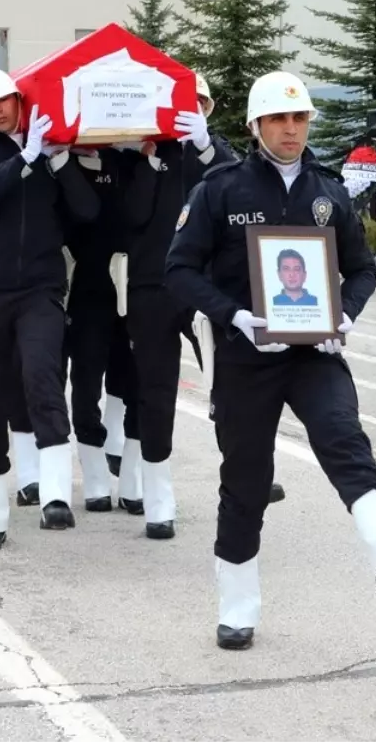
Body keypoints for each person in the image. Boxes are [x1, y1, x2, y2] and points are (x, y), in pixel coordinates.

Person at [164, 70, 376, 651]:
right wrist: (236, 318)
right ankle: (237, 606)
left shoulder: (329, 192)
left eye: (299, 118)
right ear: (256, 126)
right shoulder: (220, 188)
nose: (291, 129)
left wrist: (345, 316)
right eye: (279, 119)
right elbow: (180, 270)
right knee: (246, 481)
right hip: (247, 355)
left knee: (344, 438)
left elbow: (360, 269)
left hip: (315, 354)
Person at [0, 68, 98, 550]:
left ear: (19, 101)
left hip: (40, 288)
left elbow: (88, 212)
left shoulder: (50, 150)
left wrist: (56, 162)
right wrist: (25, 160)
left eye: (6, 101)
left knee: (43, 376)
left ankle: (55, 495)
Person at [118, 72, 238, 540]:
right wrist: (148, 163)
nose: (194, 112)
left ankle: (243, 470)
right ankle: (158, 496)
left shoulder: (214, 152)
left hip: (205, 287)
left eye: (200, 104)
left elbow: (238, 185)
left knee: (230, 376)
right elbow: (131, 216)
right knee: (155, 387)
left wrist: (205, 145)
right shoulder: (145, 153)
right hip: (152, 284)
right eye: (185, 105)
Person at [61, 144, 145, 514]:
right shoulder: (60, 161)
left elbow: (140, 212)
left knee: (138, 382)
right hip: (87, 288)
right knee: (85, 381)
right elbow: (82, 212)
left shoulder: (129, 162)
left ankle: (132, 472)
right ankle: (94, 470)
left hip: (135, 287)